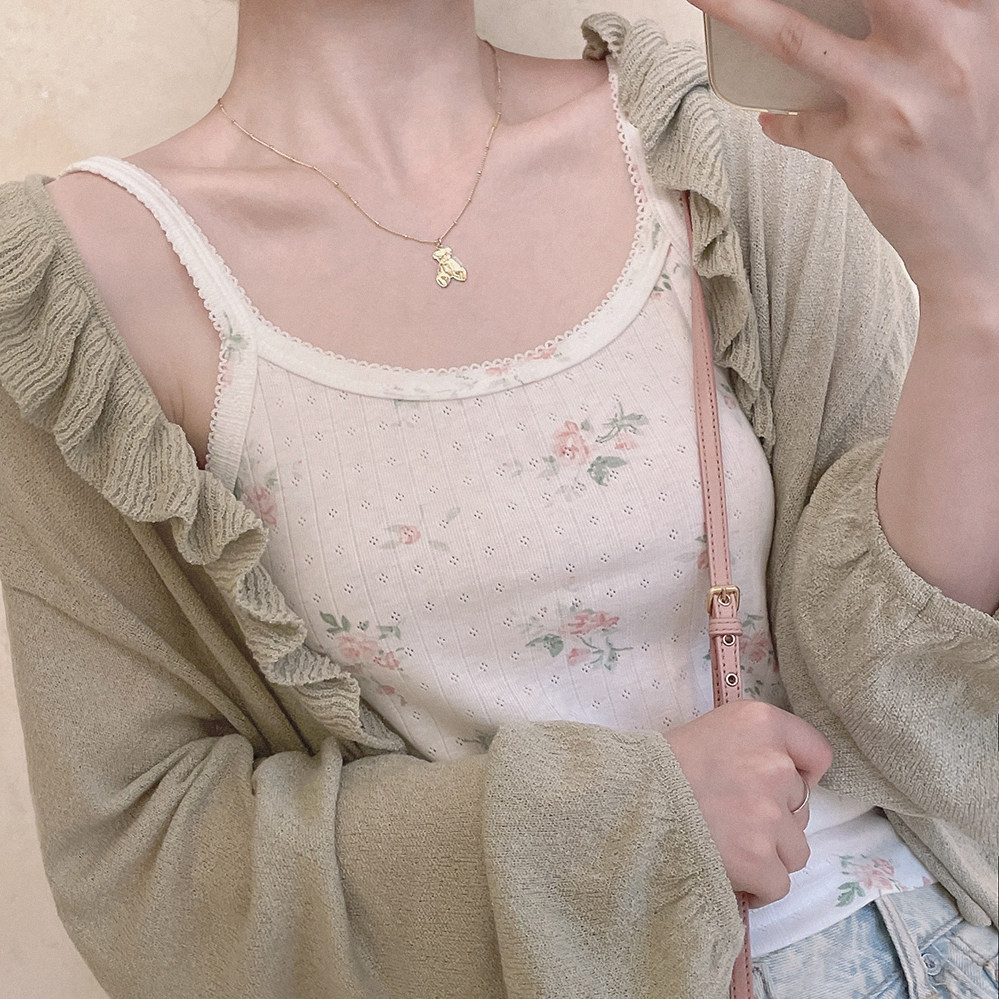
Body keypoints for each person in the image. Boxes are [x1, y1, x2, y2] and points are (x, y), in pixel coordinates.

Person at [0, 1, 996, 996]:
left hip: (905, 947)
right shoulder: (80, 291)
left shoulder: (720, 142)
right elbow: (146, 870)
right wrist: (625, 822)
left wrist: (974, 302)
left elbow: (904, 698)